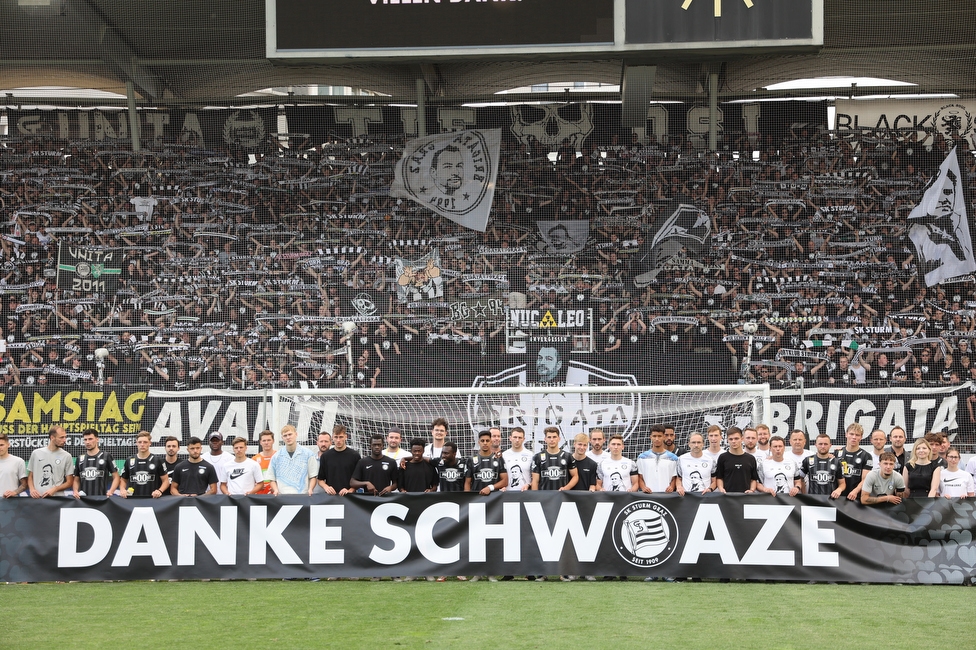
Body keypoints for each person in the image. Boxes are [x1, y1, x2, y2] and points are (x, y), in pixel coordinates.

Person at [268, 425, 317, 496]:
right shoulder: (276, 457)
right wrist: (275, 490)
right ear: (282, 438)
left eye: (290, 434)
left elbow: (313, 476)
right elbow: (272, 479)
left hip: (303, 496)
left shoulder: (308, 454)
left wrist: (310, 489)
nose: (288, 437)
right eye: (285, 436)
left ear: (296, 434)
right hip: (282, 497)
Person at [120, 430, 169, 498]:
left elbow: (166, 481)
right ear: (136, 443)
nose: (142, 444)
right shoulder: (129, 460)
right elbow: (123, 479)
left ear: (150, 443)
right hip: (133, 500)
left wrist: (159, 491)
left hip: (152, 499)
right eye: (140, 442)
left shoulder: (158, 460)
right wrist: (122, 490)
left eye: (145, 442)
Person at [73, 428, 120, 498]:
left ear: (97, 439)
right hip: (83, 500)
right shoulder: (80, 458)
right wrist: (75, 491)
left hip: (101, 499)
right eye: (85, 440)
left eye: (90, 439)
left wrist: (111, 491)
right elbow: (76, 480)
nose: (87, 442)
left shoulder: (106, 456)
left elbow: (116, 477)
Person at [317, 424, 362, 496]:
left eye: (341, 437)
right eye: (336, 437)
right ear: (332, 438)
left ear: (346, 437)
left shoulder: (355, 455)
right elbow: (320, 479)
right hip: (331, 497)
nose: (338, 440)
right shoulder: (326, 456)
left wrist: (350, 490)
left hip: (351, 498)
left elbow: (359, 479)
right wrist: (326, 487)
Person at [531, 426, 578, 491]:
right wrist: (535, 498)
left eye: (554, 437)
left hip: (562, 496)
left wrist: (566, 488)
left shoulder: (568, 456)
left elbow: (575, 476)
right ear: (545, 439)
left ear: (559, 439)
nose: (552, 440)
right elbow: (535, 481)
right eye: (549, 437)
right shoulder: (537, 457)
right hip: (544, 497)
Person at [800, 434, 846, 498]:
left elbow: (842, 483)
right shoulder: (808, 460)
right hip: (813, 501)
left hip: (831, 501)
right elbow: (800, 478)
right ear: (815, 445)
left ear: (830, 445)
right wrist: (804, 493)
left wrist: (839, 490)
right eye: (820, 444)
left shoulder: (837, 462)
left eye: (825, 444)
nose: (823, 446)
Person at [636, 424, 679, 493]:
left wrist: (671, 487)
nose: (657, 439)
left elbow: (675, 477)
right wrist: (643, 487)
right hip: (648, 495)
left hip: (666, 495)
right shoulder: (642, 457)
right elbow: (639, 477)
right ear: (650, 437)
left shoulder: (673, 458)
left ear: (664, 437)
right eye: (654, 436)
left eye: (659, 436)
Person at [836, 422, 872, 501]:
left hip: (856, 497)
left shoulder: (866, 456)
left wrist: (855, 491)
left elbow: (865, 479)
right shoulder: (837, 453)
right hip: (837, 497)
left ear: (861, 437)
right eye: (851, 434)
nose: (854, 437)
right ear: (846, 434)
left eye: (857, 435)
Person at [714, 427, 758, 494]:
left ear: (742, 439)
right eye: (731, 439)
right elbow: (719, 477)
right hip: (727, 497)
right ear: (727, 440)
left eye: (736, 438)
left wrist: (751, 490)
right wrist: (721, 488)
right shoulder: (723, 457)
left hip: (745, 497)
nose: (733, 441)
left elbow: (753, 479)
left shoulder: (750, 459)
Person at [465, 430, 507, 495]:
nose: (485, 443)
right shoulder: (471, 460)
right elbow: (467, 482)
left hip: (494, 499)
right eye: (482, 441)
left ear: (491, 442)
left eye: (487, 441)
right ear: (479, 442)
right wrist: (466, 498)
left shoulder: (498, 459)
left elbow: (505, 481)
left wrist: (490, 488)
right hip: (476, 499)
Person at [502, 426, 532, 491]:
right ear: (510, 438)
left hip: (525, 493)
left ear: (524, 439)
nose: (517, 440)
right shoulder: (504, 455)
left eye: (520, 438)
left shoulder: (530, 455)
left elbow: (535, 477)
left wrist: (528, 485)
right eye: (515, 437)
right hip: (507, 494)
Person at [0, 433, 28, 497]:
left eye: (1, 445)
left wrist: (14, 492)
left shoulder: (18, 461)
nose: (0, 448)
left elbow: (25, 484)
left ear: (8, 445)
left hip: (11, 502)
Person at [252, 429, 277, 494]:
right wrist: (256, 485)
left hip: (275, 493)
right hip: (260, 494)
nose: (266, 443)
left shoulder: (279, 456)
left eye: (269, 440)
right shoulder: (254, 459)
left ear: (273, 441)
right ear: (260, 442)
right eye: (264, 440)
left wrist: (275, 486)